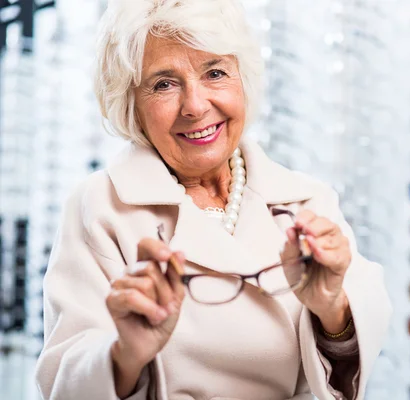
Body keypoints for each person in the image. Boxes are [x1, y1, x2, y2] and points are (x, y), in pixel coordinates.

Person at [34, 1, 391, 399]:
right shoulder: (101, 206)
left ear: (243, 80)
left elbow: (357, 354)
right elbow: (63, 380)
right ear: (132, 104)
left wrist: (332, 311)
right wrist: (124, 355)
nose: (196, 105)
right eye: (164, 84)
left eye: (215, 73)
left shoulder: (306, 200)